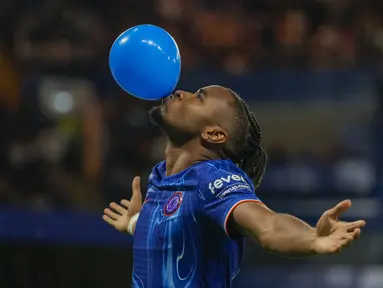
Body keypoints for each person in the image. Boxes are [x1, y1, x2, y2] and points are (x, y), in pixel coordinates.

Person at [102, 85, 366, 287]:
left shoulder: (214, 178)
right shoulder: (161, 177)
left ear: (214, 134)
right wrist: (137, 222)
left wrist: (311, 238)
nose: (181, 92)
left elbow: (268, 225)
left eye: (199, 98)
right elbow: (178, 231)